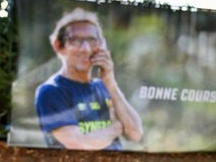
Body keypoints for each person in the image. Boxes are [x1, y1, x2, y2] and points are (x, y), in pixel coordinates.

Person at [35, 8, 144, 150]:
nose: (85, 49)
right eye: (76, 40)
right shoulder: (51, 91)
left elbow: (135, 134)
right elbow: (79, 144)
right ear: (59, 46)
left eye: (92, 40)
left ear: (101, 46)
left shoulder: (103, 86)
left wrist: (110, 83)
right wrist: (117, 127)